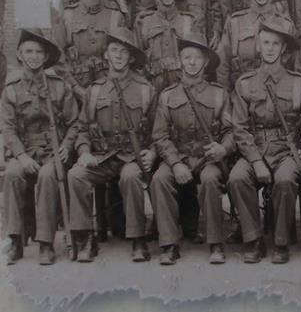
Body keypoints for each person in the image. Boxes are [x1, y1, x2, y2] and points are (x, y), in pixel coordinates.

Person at [68, 28, 156, 262]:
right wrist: (84, 151)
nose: (118, 56)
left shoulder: (146, 89)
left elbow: (160, 129)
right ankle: (86, 238)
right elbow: (82, 127)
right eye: (114, 50)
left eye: (124, 52)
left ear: (131, 58)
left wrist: (153, 152)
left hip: (132, 157)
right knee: (76, 175)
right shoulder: (94, 91)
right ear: (106, 55)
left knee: (130, 177)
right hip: (102, 157)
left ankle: (137, 240)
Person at [228, 18, 301, 264]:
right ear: (259, 46)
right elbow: (239, 127)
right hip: (255, 147)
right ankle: (253, 239)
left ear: (284, 48)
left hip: (287, 150)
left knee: (285, 180)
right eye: (266, 43)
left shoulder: (298, 82)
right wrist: (255, 160)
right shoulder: (245, 83)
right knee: (237, 178)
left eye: (276, 43)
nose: (271, 48)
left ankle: (281, 242)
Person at [150, 33, 233, 265]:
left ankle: (215, 243)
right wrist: (175, 163)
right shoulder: (167, 96)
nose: (192, 62)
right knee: (159, 179)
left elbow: (231, 131)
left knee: (209, 180)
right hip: (179, 157)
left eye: (197, 58)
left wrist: (223, 149)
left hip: (208, 158)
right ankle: (168, 244)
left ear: (206, 62)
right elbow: (160, 135)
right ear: (180, 61)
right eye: (187, 57)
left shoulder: (219, 94)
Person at [1, 30, 79, 265]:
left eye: (38, 52)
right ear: (19, 55)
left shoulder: (58, 86)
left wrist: (66, 145)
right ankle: (15, 240)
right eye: (28, 52)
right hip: (24, 150)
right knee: (13, 175)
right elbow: (7, 127)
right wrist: (21, 156)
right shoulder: (11, 89)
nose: (33, 56)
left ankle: (45, 243)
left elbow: (75, 121)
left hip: (52, 150)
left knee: (47, 176)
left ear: (46, 57)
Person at [56, 0, 129, 99]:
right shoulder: (68, 15)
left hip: (110, 88)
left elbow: (124, 55)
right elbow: (58, 59)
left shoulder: (115, 15)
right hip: (75, 89)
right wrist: (76, 88)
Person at [216, 0, 296, 89]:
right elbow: (223, 64)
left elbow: (292, 66)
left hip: (275, 95)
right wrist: (227, 97)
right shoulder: (235, 22)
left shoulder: (285, 25)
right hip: (240, 93)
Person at [135, 0, 196, 91]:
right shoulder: (144, 22)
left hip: (183, 92)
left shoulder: (189, 22)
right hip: (151, 89)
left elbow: (197, 63)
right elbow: (135, 64)